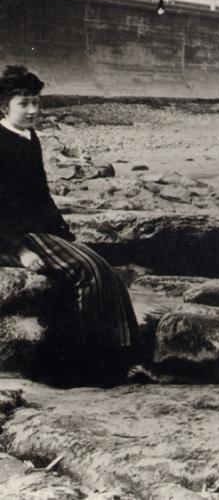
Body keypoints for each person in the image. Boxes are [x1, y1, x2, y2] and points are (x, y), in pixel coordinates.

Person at [0, 65, 139, 387]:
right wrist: (19, 251)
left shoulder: (28, 137)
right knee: (87, 271)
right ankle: (86, 366)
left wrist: (65, 236)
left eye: (36, 102)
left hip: (37, 231)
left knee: (106, 270)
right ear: (4, 106)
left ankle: (124, 359)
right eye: (24, 104)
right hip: (12, 238)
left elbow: (40, 196)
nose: (33, 110)